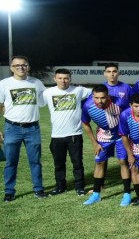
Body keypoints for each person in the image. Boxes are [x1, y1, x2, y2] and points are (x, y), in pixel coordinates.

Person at [0, 55, 48, 201]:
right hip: (12, 128)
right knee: (11, 162)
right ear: (11, 68)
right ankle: (9, 191)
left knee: (35, 161)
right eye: (17, 65)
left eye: (24, 65)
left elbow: (44, 101)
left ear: (28, 67)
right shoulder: (4, 84)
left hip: (32, 128)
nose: (21, 67)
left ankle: (38, 189)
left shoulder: (36, 83)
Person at [43, 68, 91, 196]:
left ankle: (79, 187)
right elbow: (37, 104)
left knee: (77, 163)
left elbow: (96, 93)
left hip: (74, 134)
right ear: (55, 79)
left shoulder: (79, 90)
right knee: (59, 164)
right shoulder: (48, 92)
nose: (63, 81)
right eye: (60, 78)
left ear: (70, 79)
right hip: (56, 135)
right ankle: (60, 187)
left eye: (66, 78)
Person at [81, 84, 131, 206]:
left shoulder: (120, 102)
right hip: (103, 137)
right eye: (96, 98)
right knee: (99, 162)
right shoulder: (87, 106)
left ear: (108, 96)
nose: (99, 101)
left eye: (103, 98)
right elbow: (85, 123)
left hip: (120, 136)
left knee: (123, 162)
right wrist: (94, 143)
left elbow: (132, 114)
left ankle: (127, 194)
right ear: (92, 96)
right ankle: (96, 195)